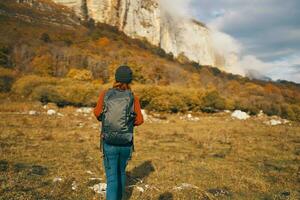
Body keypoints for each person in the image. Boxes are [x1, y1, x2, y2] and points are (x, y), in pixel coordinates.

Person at [93, 65, 144, 200]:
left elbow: (97, 113)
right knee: (121, 174)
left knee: (112, 179)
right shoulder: (133, 97)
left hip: (108, 141)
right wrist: (127, 122)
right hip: (125, 143)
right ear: (130, 81)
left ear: (116, 78)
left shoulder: (106, 94)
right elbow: (139, 120)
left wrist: (107, 118)